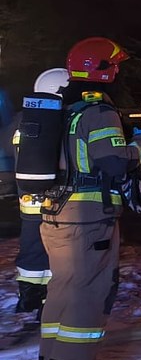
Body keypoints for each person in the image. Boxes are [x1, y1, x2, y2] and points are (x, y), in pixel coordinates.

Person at [41, 37, 141, 360]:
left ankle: (53, 359)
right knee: (90, 291)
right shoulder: (99, 111)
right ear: (102, 70)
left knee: (61, 287)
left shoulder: (60, 108)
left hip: (55, 213)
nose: (119, 70)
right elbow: (115, 162)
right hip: (87, 219)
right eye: (115, 64)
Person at [10, 68, 70, 315]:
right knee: (57, 248)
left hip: (28, 197)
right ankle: (51, 301)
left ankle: (28, 296)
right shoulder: (58, 121)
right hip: (54, 198)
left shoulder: (24, 121)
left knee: (31, 245)